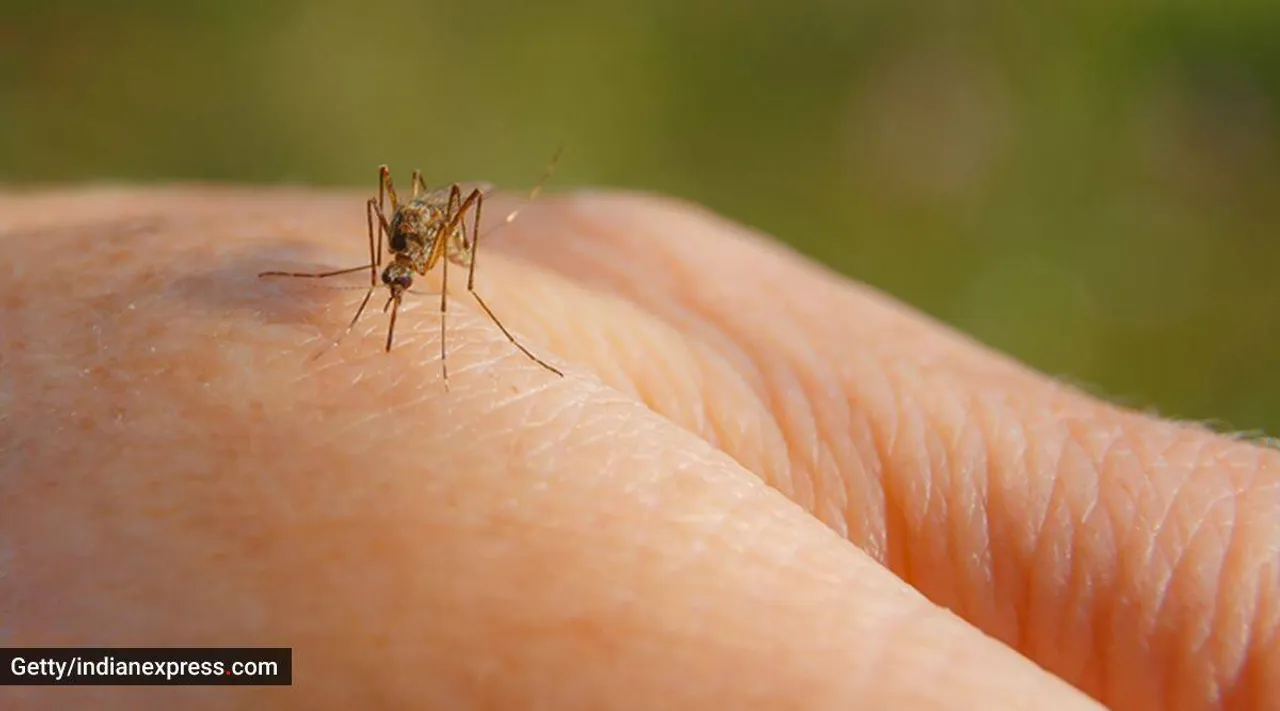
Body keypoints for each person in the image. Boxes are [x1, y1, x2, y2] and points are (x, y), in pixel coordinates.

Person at [1, 186, 1275, 711]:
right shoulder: (384, 248)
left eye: (402, 260)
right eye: (397, 259)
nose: (401, 267)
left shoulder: (439, 246)